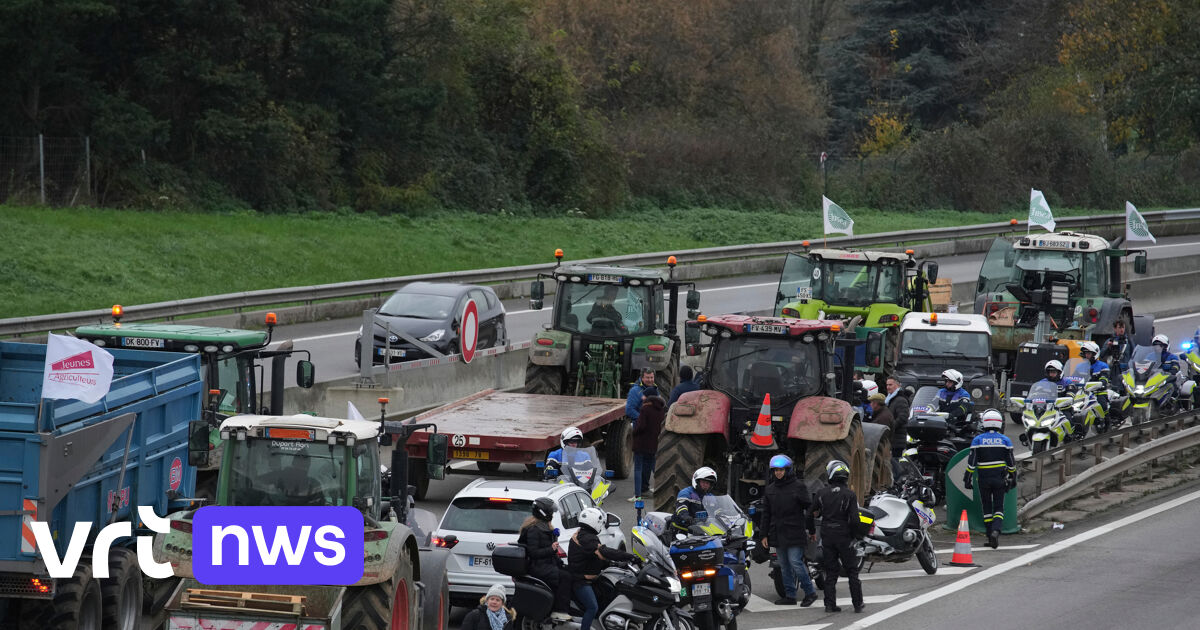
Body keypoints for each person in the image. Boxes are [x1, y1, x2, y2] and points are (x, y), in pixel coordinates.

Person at [759, 455, 818, 607]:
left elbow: (809, 508)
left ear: (788, 470)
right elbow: (766, 514)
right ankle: (790, 595)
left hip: (794, 532)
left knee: (796, 563)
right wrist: (763, 534)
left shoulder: (798, 487)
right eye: (776, 470)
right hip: (777, 533)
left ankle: (810, 593)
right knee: (783, 565)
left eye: (781, 470)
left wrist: (811, 527)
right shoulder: (770, 489)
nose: (778, 473)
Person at [807, 460, 864, 614]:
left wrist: (812, 531)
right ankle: (857, 604)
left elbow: (809, 514)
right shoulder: (850, 495)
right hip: (844, 537)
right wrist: (855, 536)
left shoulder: (821, 493)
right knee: (852, 571)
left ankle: (829, 605)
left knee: (831, 571)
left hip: (827, 536)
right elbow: (855, 519)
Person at [569, 508, 637, 630]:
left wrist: (616, 564)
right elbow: (604, 552)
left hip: (587, 577)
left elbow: (597, 558)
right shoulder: (587, 538)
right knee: (592, 607)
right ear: (595, 522)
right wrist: (629, 556)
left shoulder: (584, 534)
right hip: (580, 580)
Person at [963, 409, 1016, 549]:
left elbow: (971, 463)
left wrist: (967, 478)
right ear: (999, 423)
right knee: (999, 507)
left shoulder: (978, 440)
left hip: (983, 479)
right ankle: (996, 531)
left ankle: (988, 534)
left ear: (984, 423)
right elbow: (1011, 463)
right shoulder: (1005, 440)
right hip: (999, 478)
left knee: (986, 507)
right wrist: (1013, 476)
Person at [517, 498, 573, 621]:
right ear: (543, 513)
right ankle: (559, 610)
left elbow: (550, 552)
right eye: (550, 513)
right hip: (537, 566)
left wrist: (561, 562)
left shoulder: (545, 527)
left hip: (547, 564)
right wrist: (551, 549)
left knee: (571, 572)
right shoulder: (533, 530)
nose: (552, 515)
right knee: (565, 577)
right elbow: (534, 553)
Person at [631, 391, 666, 500]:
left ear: (647, 397)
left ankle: (637, 495)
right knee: (651, 466)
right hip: (654, 443)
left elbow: (641, 426)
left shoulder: (645, 408)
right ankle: (659, 488)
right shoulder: (662, 409)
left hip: (641, 443)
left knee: (638, 468)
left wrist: (633, 431)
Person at [674, 467, 717, 531]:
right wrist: (686, 517)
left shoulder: (710, 496)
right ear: (697, 481)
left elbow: (717, 510)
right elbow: (681, 508)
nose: (706, 485)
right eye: (703, 482)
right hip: (683, 527)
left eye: (708, 483)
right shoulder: (686, 493)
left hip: (703, 528)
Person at [1079, 341, 1112, 414]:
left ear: (1095, 354)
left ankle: (1107, 422)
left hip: (1098, 392)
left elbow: (1104, 379)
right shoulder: (1080, 366)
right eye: (1085, 353)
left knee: (1102, 404)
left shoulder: (1103, 366)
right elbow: (1074, 378)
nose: (1087, 356)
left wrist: (1100, 383)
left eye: (1089, 353)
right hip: (1083, 392)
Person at [884, 377, 911, 457]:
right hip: (892, 438)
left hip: (897, 439)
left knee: (895, 462)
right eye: (887, 385)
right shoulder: (890, 399)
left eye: (890, 385)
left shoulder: (900, 400)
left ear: (897, 385)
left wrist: (890, 427)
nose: (888, 387)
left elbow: (903, 417)